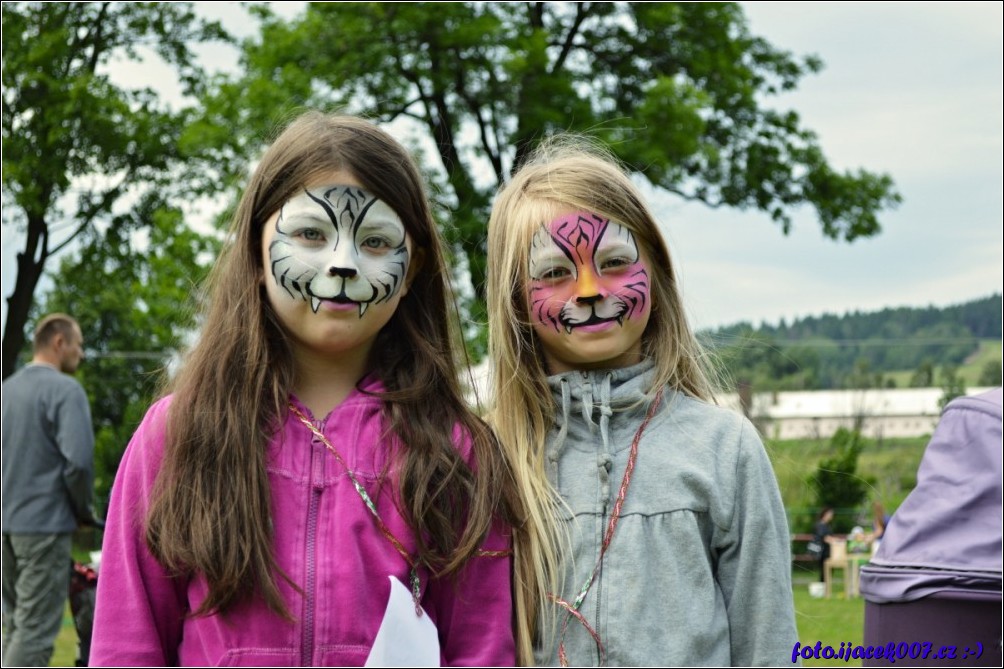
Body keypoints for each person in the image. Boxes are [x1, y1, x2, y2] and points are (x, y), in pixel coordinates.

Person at [88, 112, 518, 666]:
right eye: (311, 234)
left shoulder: (456, 452)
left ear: (413, 271)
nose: (342, 263)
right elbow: (127, 647)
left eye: (376, 241)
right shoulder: (176, 436)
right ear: (256, 253)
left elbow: (480, 651)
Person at [485, 140, 798, 666]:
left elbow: (768, 642)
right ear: (515, 298)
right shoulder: (490, 456)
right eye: (556, 273)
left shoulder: (724, 449)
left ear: (655, 271)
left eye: (613, 263)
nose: (588, 290)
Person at [2, 313, 95, 667]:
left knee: (15, 627)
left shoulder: (6, 391)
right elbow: (79, 464)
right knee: (35, 633)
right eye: (79, 344)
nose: (82, 354)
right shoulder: (65, 391)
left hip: (5, 529)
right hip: (43, 528)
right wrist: (83, 512)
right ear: (60, 343)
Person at [813, 506, 835, 582]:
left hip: (827, 551)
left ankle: (825, 587)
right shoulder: (820, 525)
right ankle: (823, 587)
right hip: (822, 552)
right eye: (830, 514)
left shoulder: (826, 525)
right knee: (824, 571)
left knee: (827, 571)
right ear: (825, 514)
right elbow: (824, 537)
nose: (832, 515)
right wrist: (835, 541)